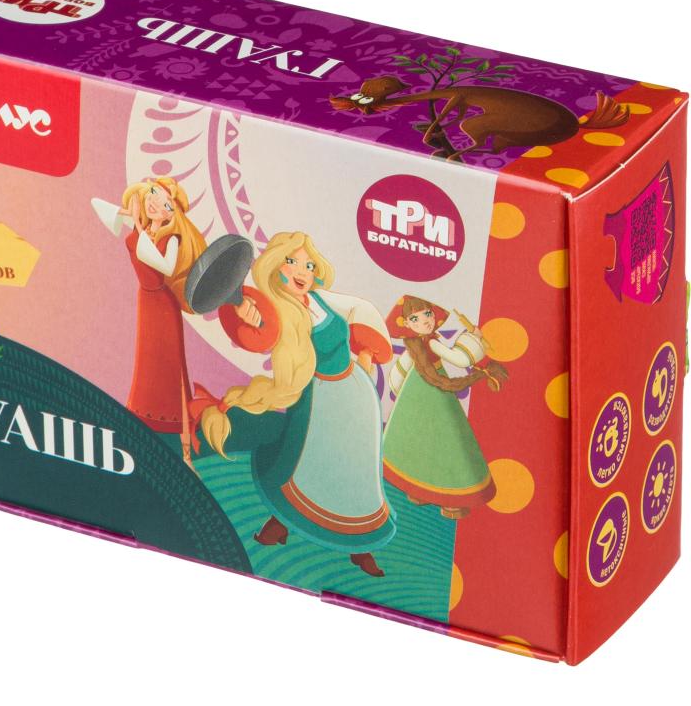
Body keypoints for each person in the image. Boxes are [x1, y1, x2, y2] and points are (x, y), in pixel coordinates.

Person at [192, 231, 395, 576]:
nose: (302, 271)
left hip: (357, 397)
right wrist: (244, 314)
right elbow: (257, 334)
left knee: (357, 471)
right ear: (274, 266)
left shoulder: (318, 300)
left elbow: (357, 313)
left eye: (309, 264)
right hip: (320, 401)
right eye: (291, 261)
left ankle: (361, 546)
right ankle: (280, 525)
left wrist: (364, 356)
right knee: (309, 466)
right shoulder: (274, 308)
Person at [92, 177, 206, 471]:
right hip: (147, 304)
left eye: (167, 204)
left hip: (163, 307)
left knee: (173, 371)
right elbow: (97, 205)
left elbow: (164, 266)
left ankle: (185, 452)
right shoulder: (140, 229)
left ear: (173, 214)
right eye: (154, 194)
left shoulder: (171, 239)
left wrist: (139, 226)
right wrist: (131, 215)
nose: (157, 203)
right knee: (146, 369)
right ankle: (143, 431)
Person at [382, 295, 507, 519]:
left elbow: (399, 373)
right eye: (415, 318)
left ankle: (422, 491)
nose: (425, 321)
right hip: (429, 395)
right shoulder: (428, 343)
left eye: (428, 314)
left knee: (431, 440)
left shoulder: (423, 343)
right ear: (407, 323)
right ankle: (441, 496)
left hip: (417, 394)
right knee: (444, 442)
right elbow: (459, 359)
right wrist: (474, 339)